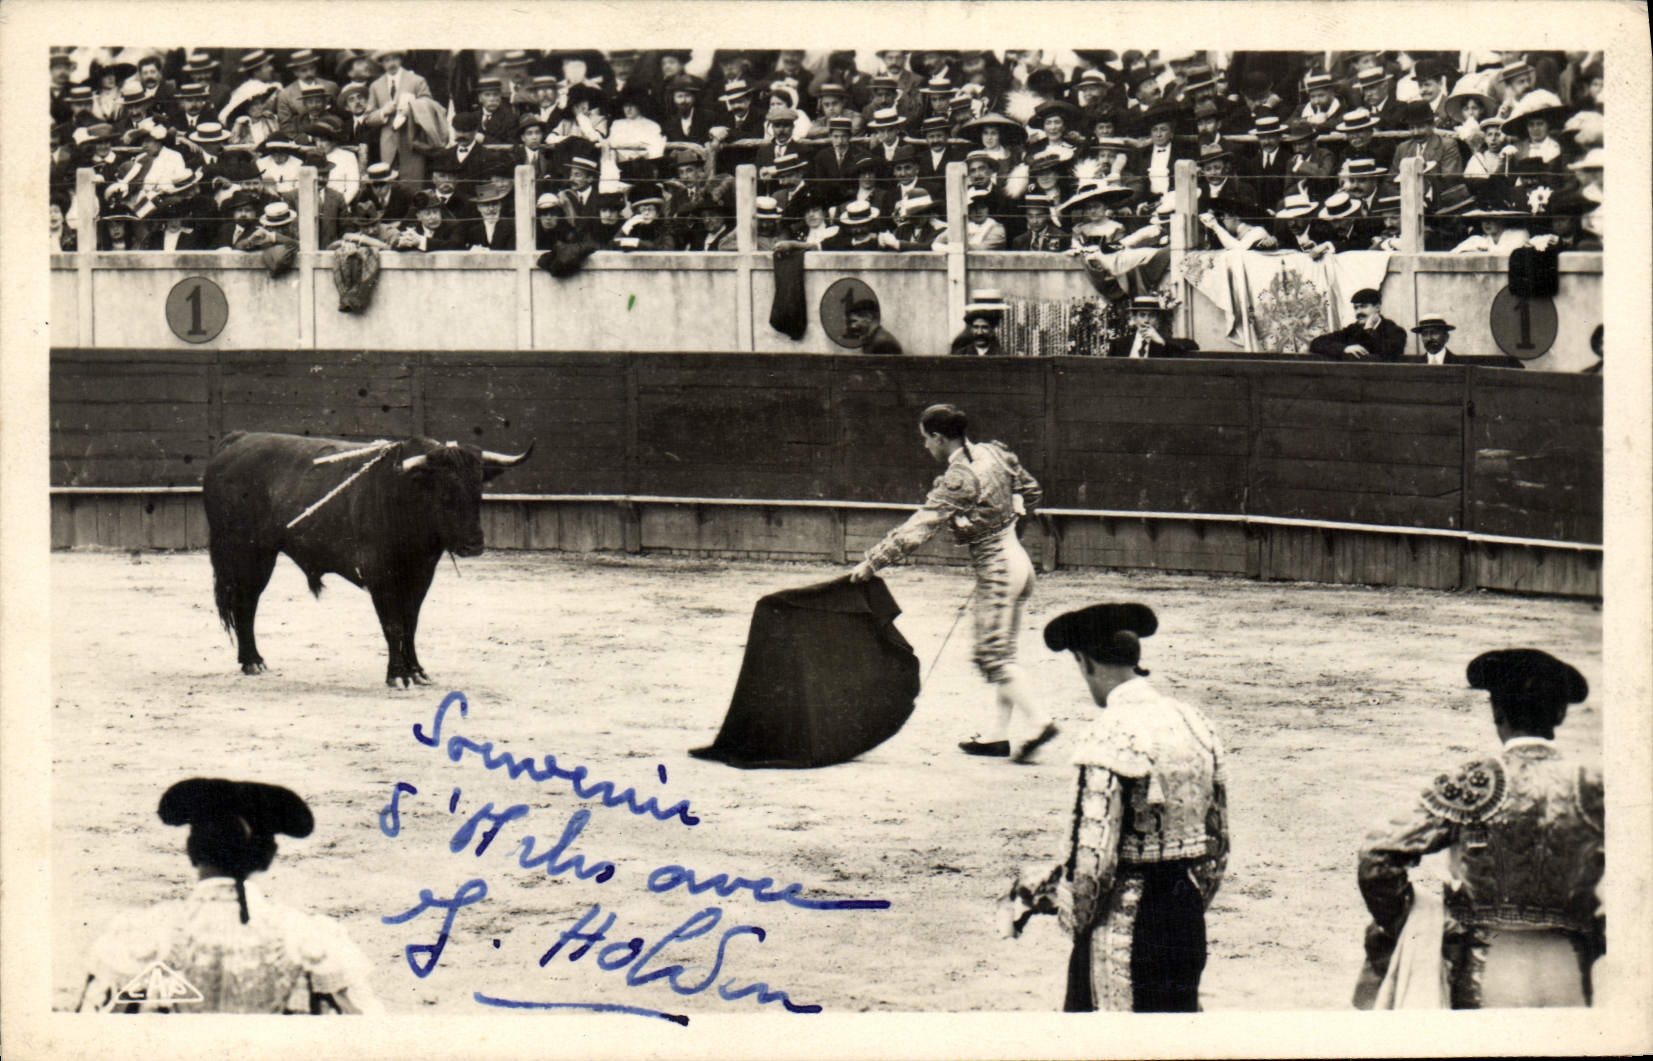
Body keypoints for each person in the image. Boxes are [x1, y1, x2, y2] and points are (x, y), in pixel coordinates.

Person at [1003, 603, 1228, 1012]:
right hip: (1186, 917)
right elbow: (1218, 842)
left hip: (1126, 924)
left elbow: (1092, 865)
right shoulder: (1196, 722)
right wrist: (1189, 904)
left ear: (1085, 662)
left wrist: (1072, 918)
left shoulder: (1106, 735)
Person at [1355, 650, 1603, 1009]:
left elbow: (1377, 855)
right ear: (1560, 714)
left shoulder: (1476, 781)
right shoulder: (1595, 786)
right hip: (1575, 967)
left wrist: (1412, 923)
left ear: (1496, 713)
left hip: (1483, 967)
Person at [850, 404, 1055, 762]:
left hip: (998, 567)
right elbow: (1032, 492)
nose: (925, 447)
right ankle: (997, 736)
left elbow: (921, 526)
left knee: (992, 655)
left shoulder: (959, 478)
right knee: (1002, 654)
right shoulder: (995, 452)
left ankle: (1039, 721)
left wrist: (873, 562)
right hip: (1019, 561)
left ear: (939, 438)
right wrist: (1011, 523)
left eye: (925, 440)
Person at [76, 778, 381, 1014]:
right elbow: (372, 1035)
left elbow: (85, 1033)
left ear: (192, 850)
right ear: (268, 856)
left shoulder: (139, 936)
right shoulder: (311, 939)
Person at [1309, 288, 1408, 362]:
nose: (1358, 312)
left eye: (1363, 307)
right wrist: (1345, 348)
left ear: (1377, 307)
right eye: (1356, 308)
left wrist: (1369, 330)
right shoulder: (1352, 330)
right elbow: (1316, 343)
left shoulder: (1394, 331)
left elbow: (1387, 352)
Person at [1109, 296, 1197, 357]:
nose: (1146, 320)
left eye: (1151, 316)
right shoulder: (1118, 345)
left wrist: (1161, 342)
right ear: (1135, 319)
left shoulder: (1164, 344)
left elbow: (1193, 348)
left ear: (1158, 319)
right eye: (1142, 315)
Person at [948, 290, 1009, 356]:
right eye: (976, 327)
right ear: (971, 328)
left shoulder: (1000, 354)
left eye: (984, 327)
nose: (979, 332)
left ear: (992, 329)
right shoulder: (962, 350)